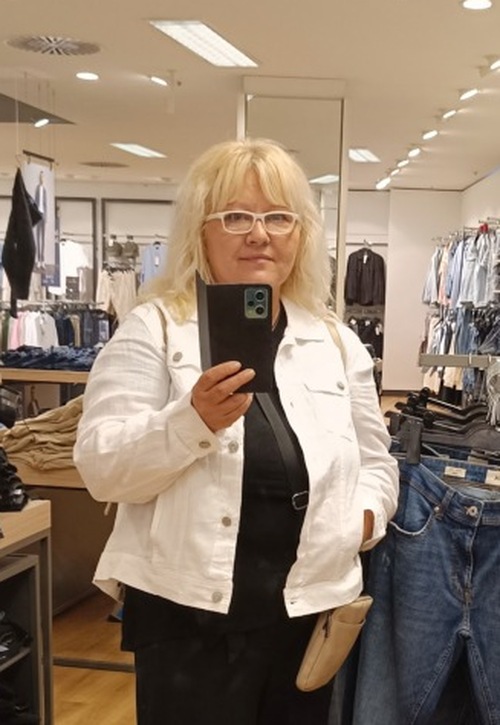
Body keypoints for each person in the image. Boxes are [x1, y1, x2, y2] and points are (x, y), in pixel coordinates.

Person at [73, 137, 399, 725]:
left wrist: (362, 523)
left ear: (300, 234)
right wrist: (191, 421)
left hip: (307, 615)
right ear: (200, 232)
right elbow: (102, 468)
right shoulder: (156, 329)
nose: (259, 234)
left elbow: (377, 461)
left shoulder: (334, 342)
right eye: (236, 217)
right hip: (186, 619)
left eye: (278, 217)